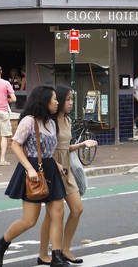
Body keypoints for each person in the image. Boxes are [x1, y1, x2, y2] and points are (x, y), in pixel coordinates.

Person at [0, 85, 68, 267]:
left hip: (49, 168)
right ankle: (1, 243)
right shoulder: (29, 121)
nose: (57, 102)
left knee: (58, 213)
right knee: (30, 220)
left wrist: (56, 164)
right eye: (54, 99)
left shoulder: (51, 122)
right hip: (32, 169)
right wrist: (29, 169)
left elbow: (48, 150)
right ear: (44, 101)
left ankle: (56, 256)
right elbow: (15, 145)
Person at [38, 85, 97, 264]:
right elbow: (43, 148)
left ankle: (65, 249)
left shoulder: (68, 121)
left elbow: (65, 148)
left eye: (72, 99)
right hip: (52, 168)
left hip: (67, 169)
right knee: (52, 214)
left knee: (77, 209)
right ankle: (43, 254)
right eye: (68, 99)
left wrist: (82, 145)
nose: (71, 103)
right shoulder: (50, 122)